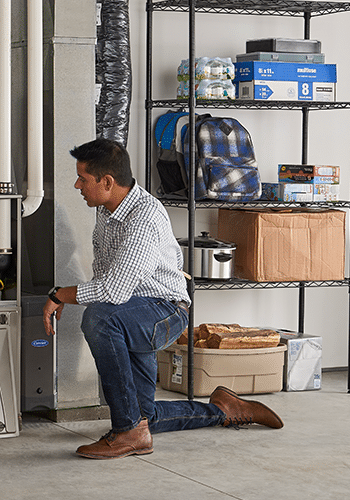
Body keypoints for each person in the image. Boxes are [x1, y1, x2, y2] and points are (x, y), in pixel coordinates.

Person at [42, 138, 283, 460]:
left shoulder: (143, 218)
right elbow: (111, 282)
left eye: (83, 179)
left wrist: (60, 295)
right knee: (145, 415)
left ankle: (128, 432)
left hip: (162, 311)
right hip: (130, 312)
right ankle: (224, 409)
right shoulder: (106, 208)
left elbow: (112, 290)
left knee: (98, 318)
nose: (77, 185)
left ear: (108, 182)